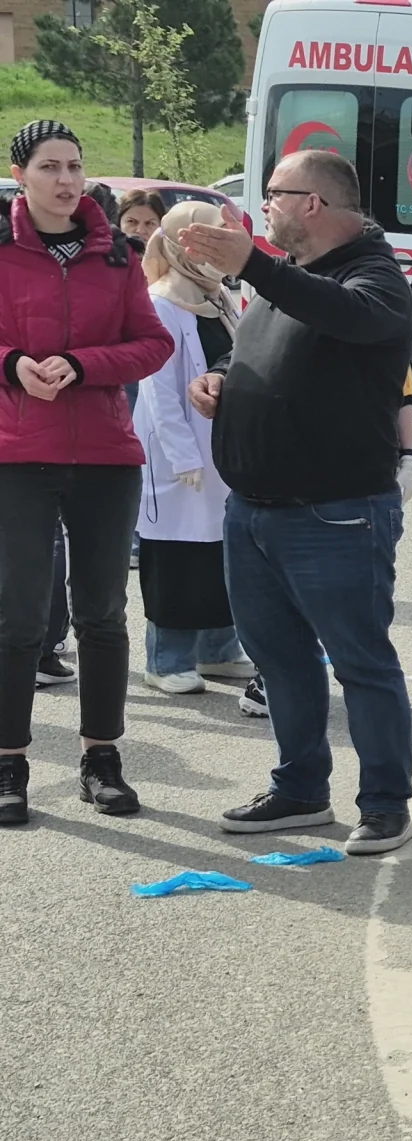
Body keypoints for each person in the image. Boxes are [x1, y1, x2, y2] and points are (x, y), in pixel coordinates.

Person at [179, 147, 412, 853]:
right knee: (278, 658)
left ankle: (384, 804)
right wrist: (222, 377)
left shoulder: (374, 276)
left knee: (360, 660)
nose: (265, 206)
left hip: (333, 511)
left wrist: (252, 262)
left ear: (312, 202)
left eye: (274, 193)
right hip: (254, 510)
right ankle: (301, 788)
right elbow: (259, 345)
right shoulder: (291, 278)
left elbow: (344, 317)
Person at [0, 120, 171, 826]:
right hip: (18, 452)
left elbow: (153, 342)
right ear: (21, 174)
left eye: (74, 166)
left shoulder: (117, 256)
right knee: (18, 617)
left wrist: (85, 365)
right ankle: (9, 762)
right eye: (50, 167)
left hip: (106, 455)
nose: (66, 180)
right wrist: (12, 365)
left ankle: (102, 759)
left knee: (103, 615)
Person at [134, 201, 255, 698]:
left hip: (219, 454)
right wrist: (183, 458)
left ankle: (218, 649)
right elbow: (158, 392)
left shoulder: (219, 297)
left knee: (220, 553)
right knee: (176, 559)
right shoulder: (161, 303)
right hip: (176, 457)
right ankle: (167, 659)